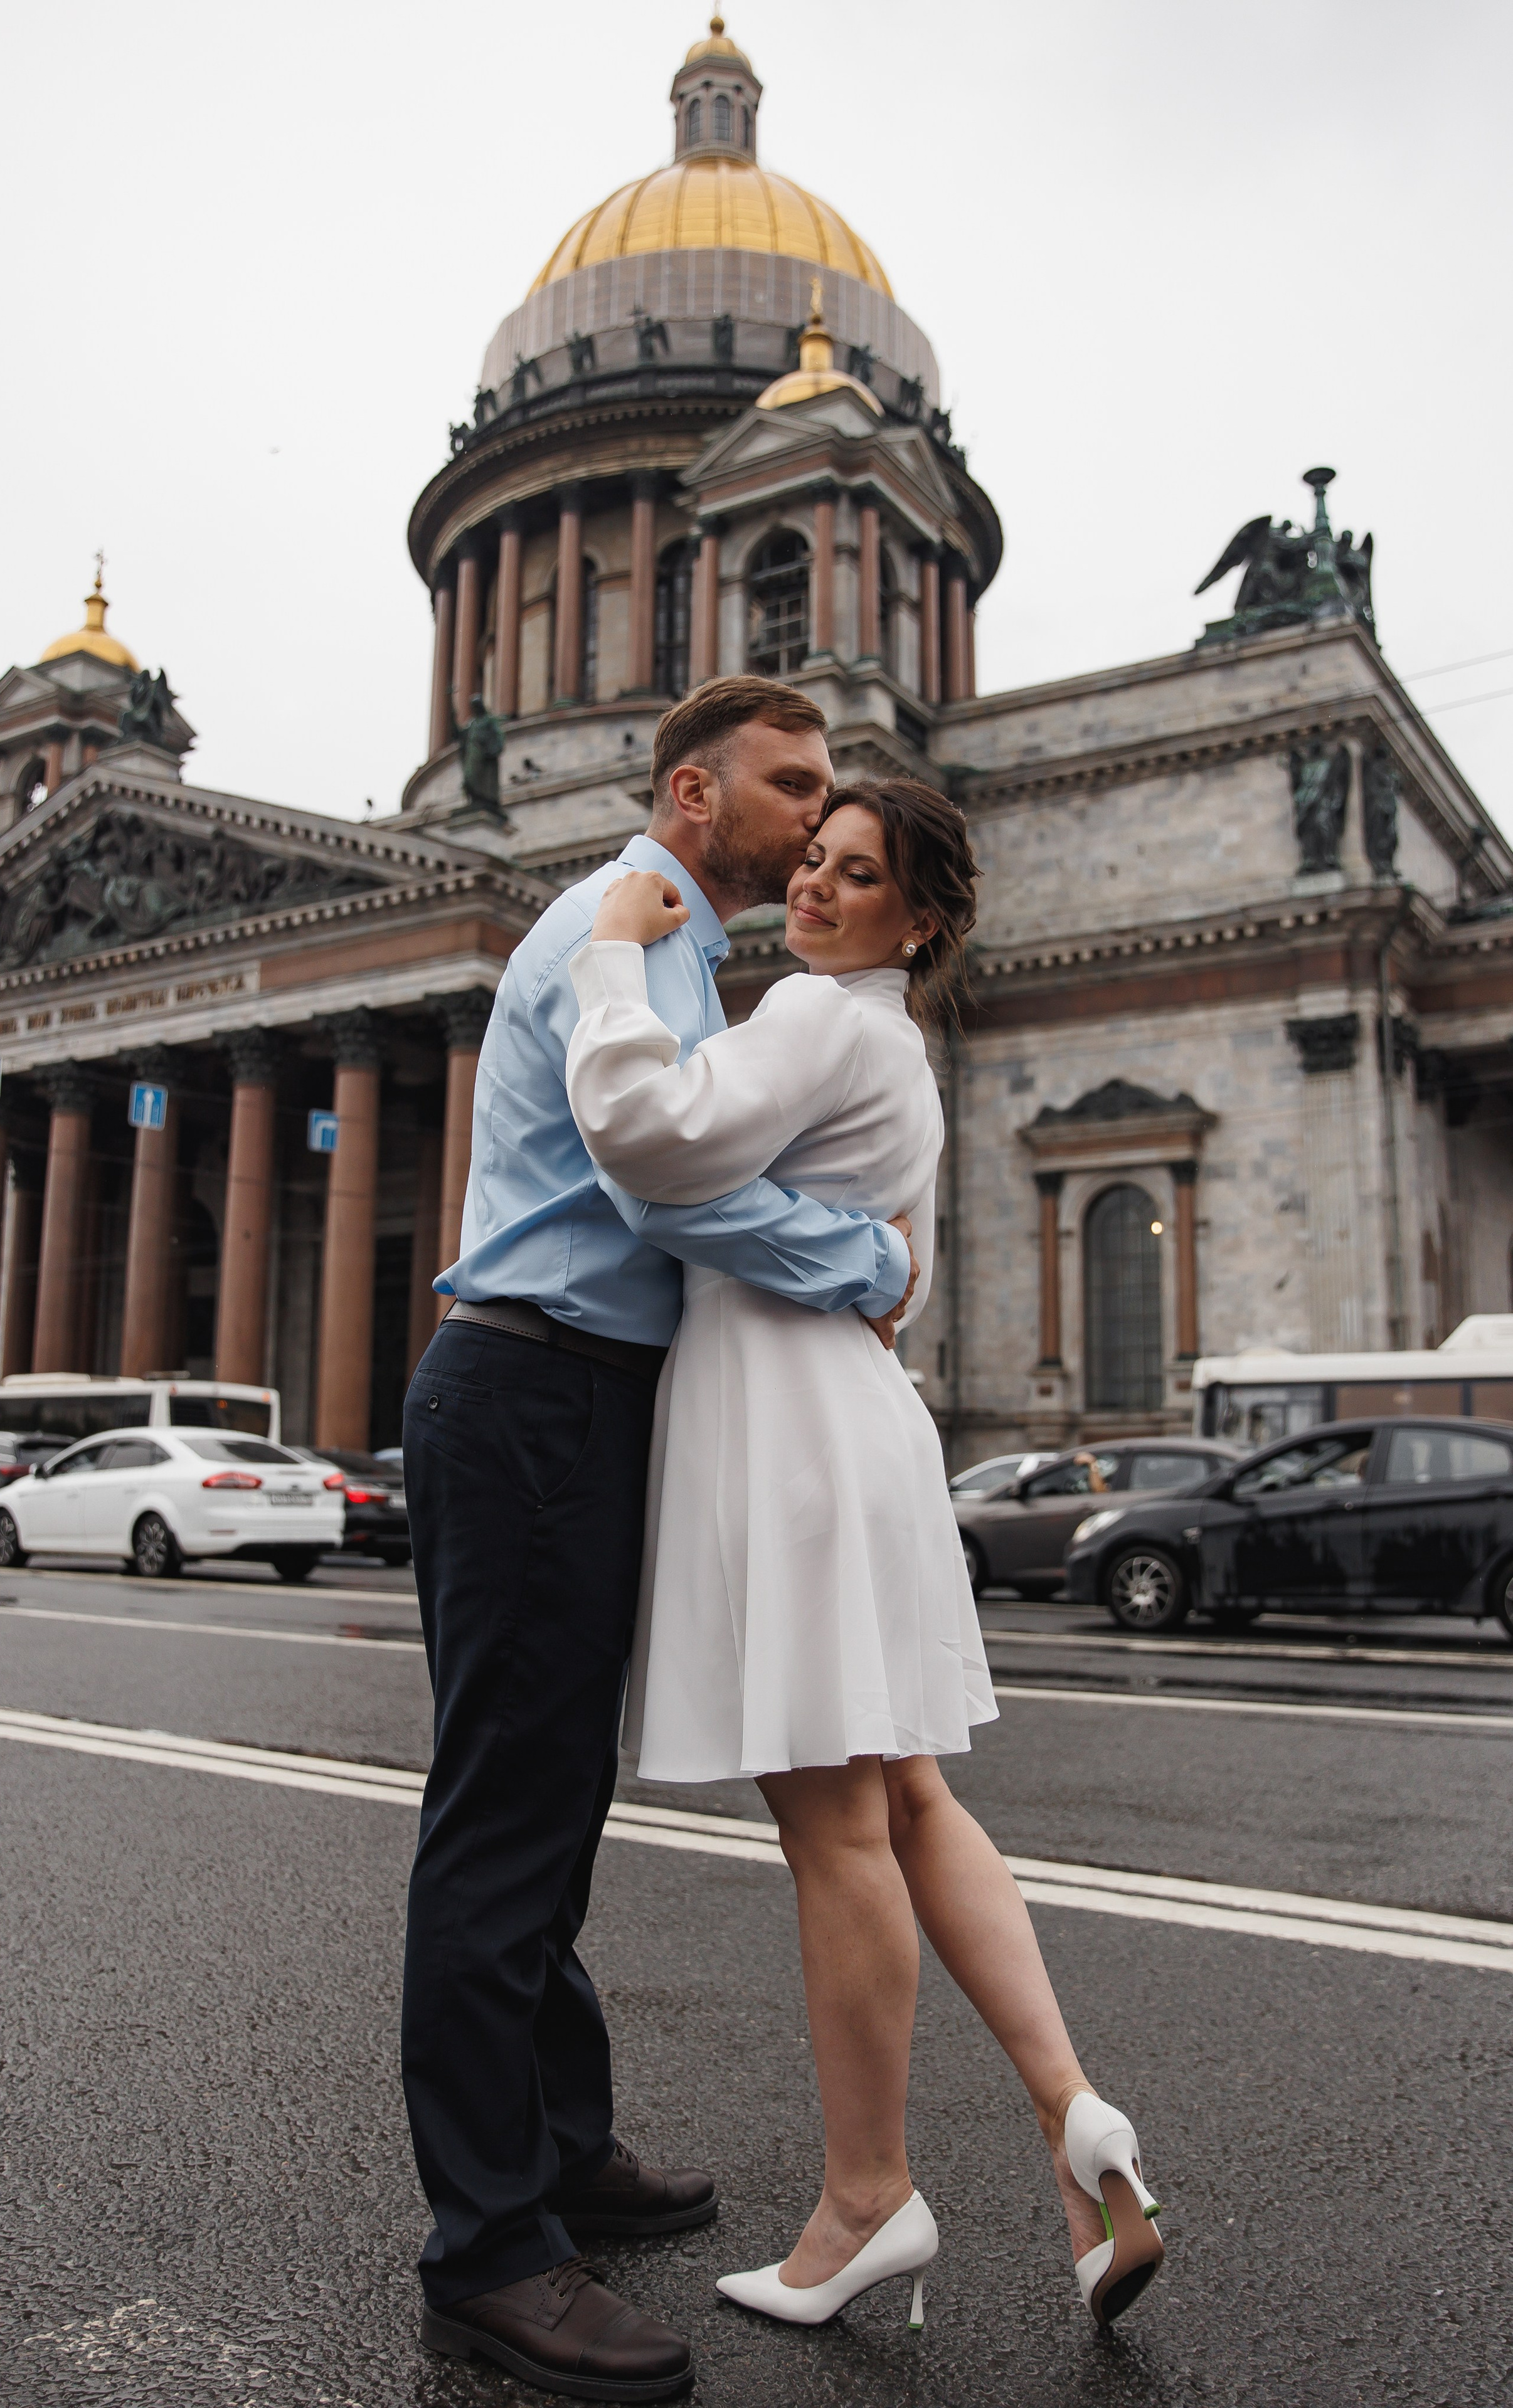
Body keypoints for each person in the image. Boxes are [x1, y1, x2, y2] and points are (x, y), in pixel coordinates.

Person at [563, 777, 1165, 2337]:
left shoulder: (813, 1016)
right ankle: (1074, 2116)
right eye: (813, 863)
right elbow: (865, 1255)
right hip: (862, 1420)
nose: (813, 890)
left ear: (922, 920)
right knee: (908, 1795)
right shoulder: (898, 1051)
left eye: (855, 875)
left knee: (833, 1831)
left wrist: (611, 952)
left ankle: (865, 2198)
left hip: (783, 1426)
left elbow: (640, 1135)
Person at [400, 678, 921, 2402]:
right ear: (696, 795)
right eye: (794, 784)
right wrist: (872, 1266)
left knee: (551, 1810)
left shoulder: (683, 953)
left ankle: (559, 2146)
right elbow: (664, 1183)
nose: (818, 814)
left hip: (575, 1397)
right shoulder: (612, 930)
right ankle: (489, 2250)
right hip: (535, 1385)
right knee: (503, 1823)